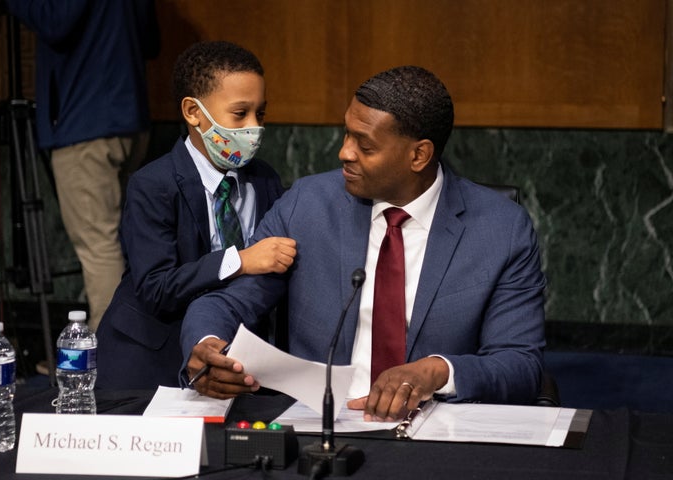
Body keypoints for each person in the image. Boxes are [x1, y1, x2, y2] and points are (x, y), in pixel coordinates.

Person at [180, 65, 547, 421]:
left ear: (418, 155)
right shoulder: (307, 205)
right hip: (318, 422)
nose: (345, 152)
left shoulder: (501, 229)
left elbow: (519, 364)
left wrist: (437, 371)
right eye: (346, 134)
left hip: (433, 427)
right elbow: (228, 301)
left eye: (365, 146)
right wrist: (207, 343)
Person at [94, 41, 296, 389]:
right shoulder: (152, 184)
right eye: (239, 113)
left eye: (260, 114)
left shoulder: (264, 179)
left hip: (232, 353)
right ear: (193, 112)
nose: (254, 128)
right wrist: (240, 261)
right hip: (149, 359)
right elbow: (156, 288)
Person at [3, 1, 160, 333]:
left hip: (85, 123)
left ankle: (109, 354)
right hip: (130, 117)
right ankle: (135, 349)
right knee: (126, 240)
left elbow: (56, 21)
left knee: (98, 245)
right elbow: (150, 41)